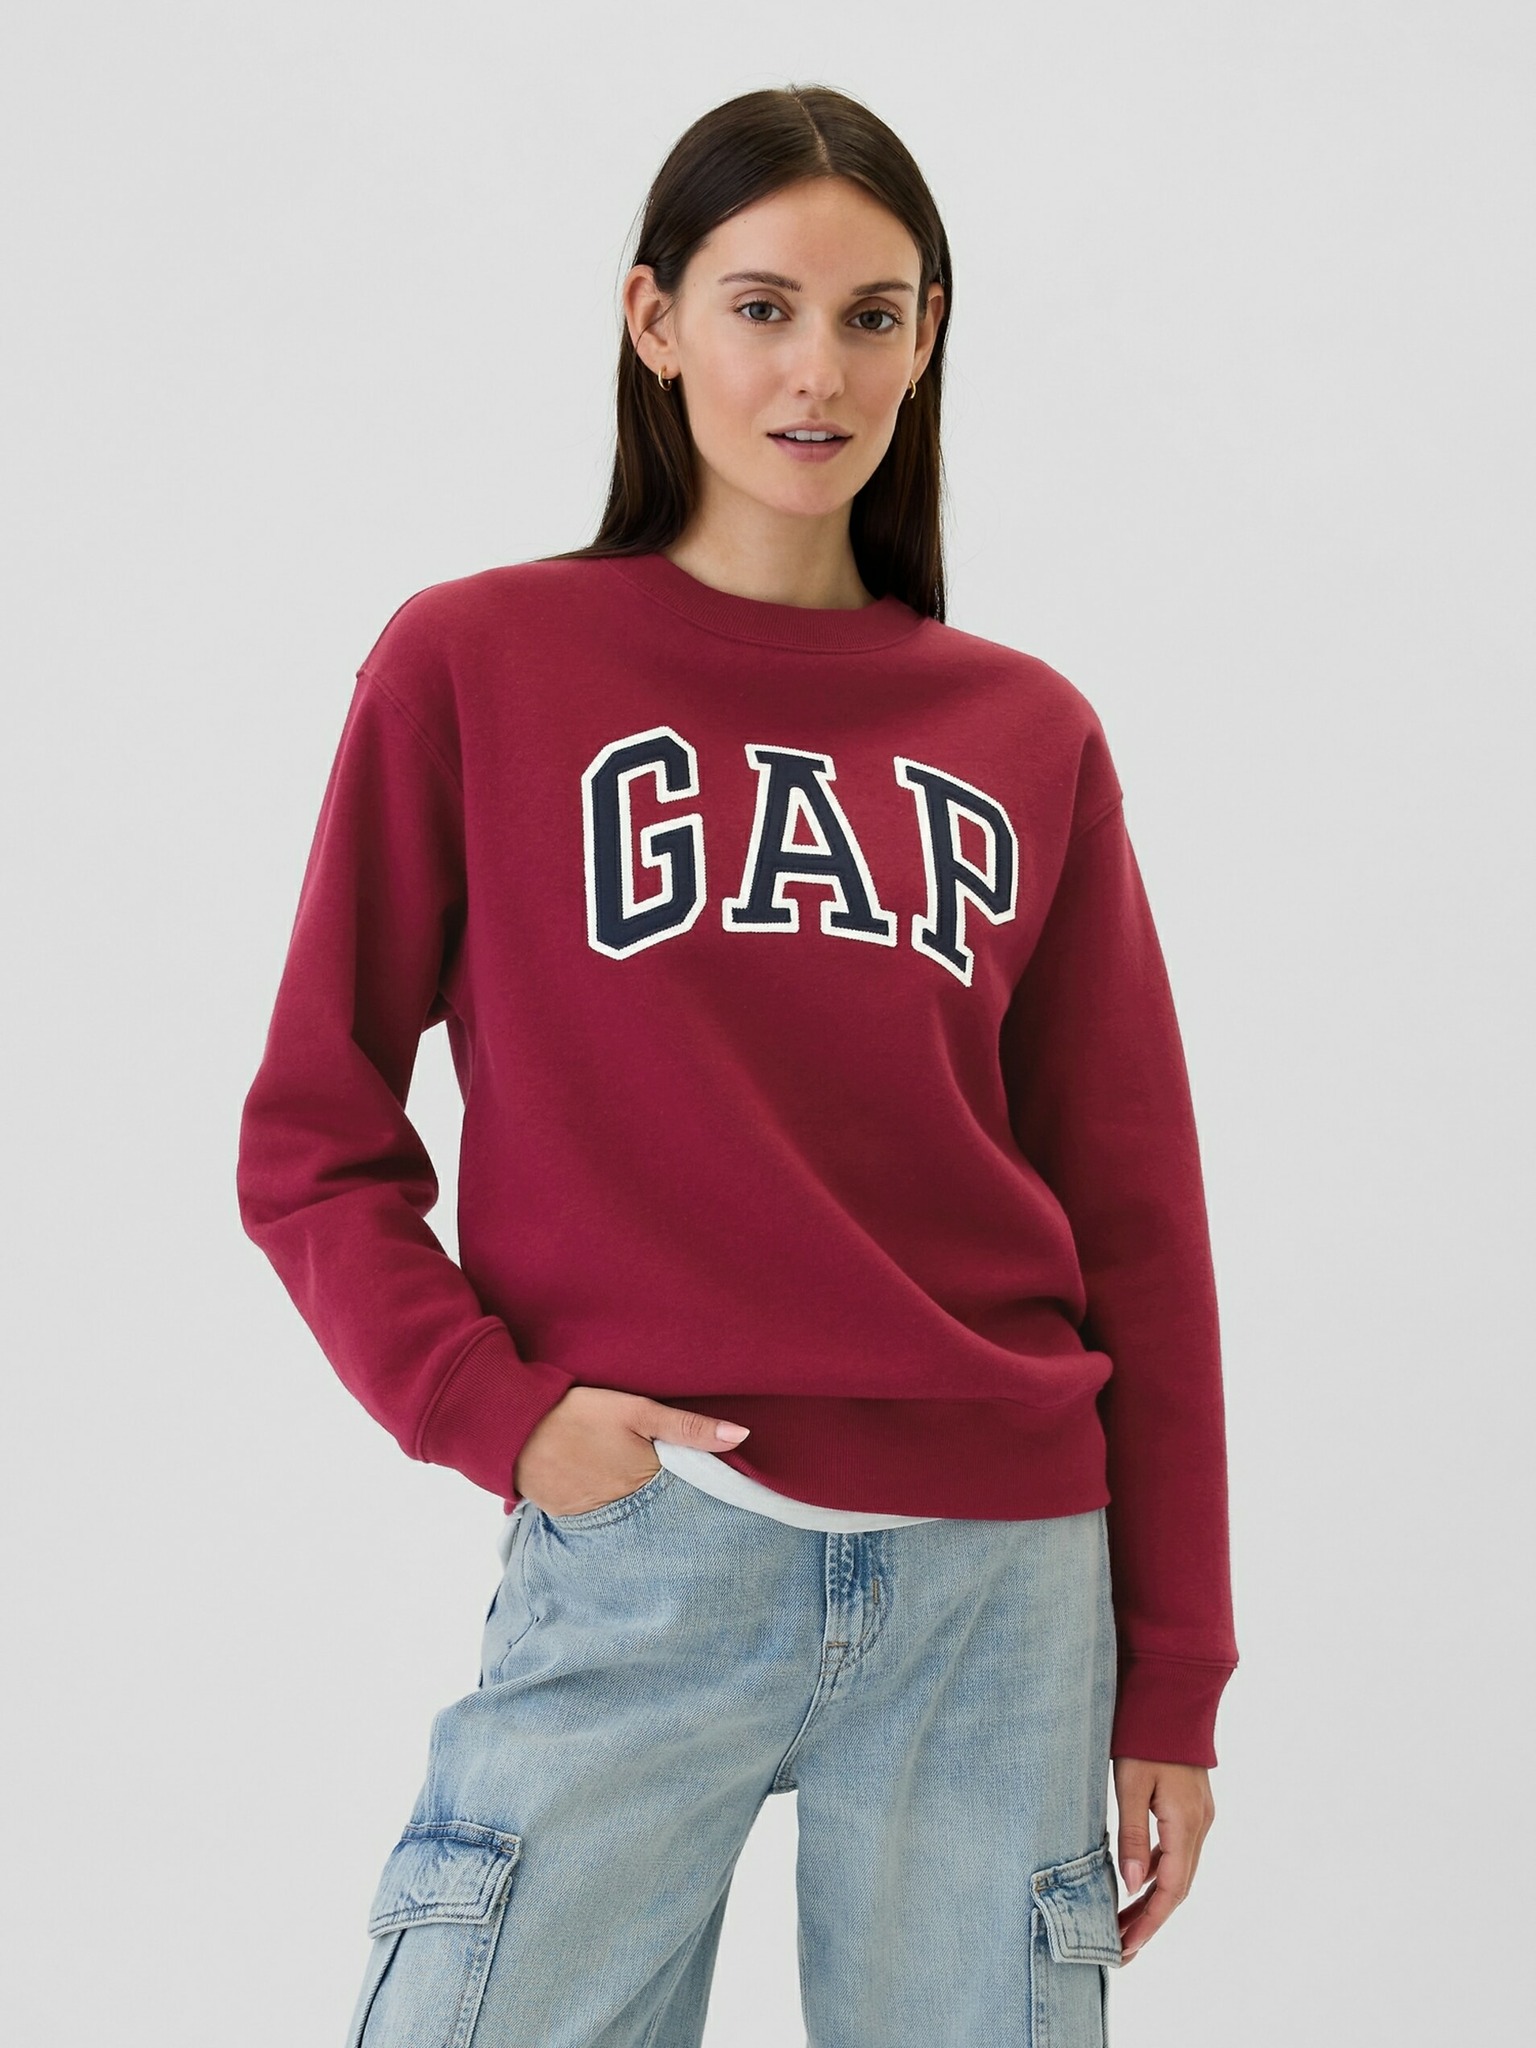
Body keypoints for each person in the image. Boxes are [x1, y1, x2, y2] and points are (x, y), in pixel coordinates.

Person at [236, 82, 1237, 2048]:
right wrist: (494, 1411)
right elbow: (312, 1133)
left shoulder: (1025, 731)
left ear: (927, 340)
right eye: (761, 307)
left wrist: (1175, 1678)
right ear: (655, 319)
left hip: (1002, 1587)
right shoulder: (476, 665)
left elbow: (1139, 1220)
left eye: (872, 317)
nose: (817, 372)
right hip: (645, 1544)